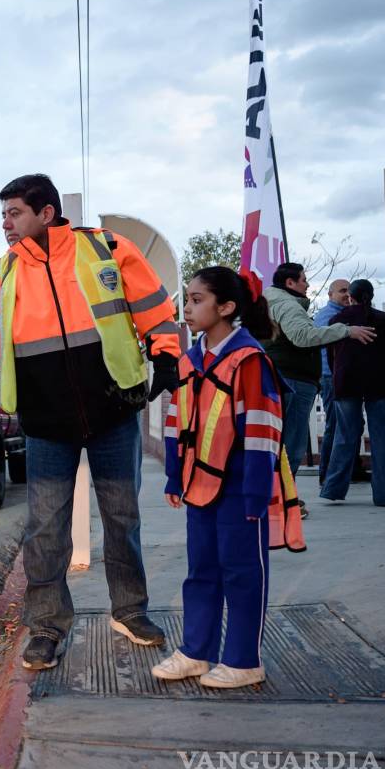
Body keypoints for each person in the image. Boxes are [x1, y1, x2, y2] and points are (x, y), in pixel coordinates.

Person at [0, 174, 178, 671]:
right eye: (3, 215)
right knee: (45, 529)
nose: (6, 224)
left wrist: (166, 358)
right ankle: (47, 627)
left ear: (47, 213)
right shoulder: (0, 273)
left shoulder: (107, 250)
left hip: (113, 407)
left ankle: (130, 611)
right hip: (44, 418)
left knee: (122, 519)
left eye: (14, 213)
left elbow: (153, 310)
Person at [154, 267, 304, 689]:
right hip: (199, 485)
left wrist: (257, 493)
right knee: (201, 569)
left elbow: (262, 431)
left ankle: (243, 660)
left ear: (227, 308)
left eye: (197, 299)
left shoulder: (250, 360)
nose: (187, 308)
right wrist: (173, 477)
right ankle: (196, 652)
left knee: (242, 572)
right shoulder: (189, 360)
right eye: (187, 298)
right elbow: (174, 422)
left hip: (241, 488)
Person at [262, 263, 375, 479]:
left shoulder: (271, 302)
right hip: (293, 380)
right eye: (304, 279)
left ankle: (279, 497)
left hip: (285, 378)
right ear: (290, 283)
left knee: (282, 441)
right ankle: (285, 500)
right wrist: (346, 331)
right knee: (293, 444)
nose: (307, 284)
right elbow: (303, 336)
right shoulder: (288, 305)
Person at [319, 280, 385, 507]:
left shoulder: (337, 320)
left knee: (345, 435)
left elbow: (332, 357)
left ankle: (333, 489)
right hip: (382, 384)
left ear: (351, 296)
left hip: (347, 383)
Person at [315, 279, 369, 485]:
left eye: (349, 291)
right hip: (331, 377)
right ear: (330, 295)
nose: (347, 295)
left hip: (345, 377)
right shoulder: (328, 317)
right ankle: (327, 472)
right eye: (342, 291)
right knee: (336, 425)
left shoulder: (347, 314)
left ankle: (350, 469)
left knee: (352, 424)